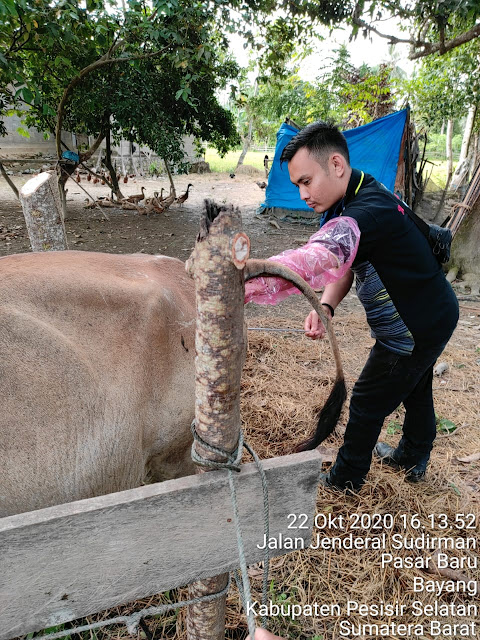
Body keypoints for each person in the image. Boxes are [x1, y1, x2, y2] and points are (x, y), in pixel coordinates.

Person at [279, 121, 458, 492]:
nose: (302, 195)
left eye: (306, 181)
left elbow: (320, 258)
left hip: (414, 327)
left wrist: (254, 277)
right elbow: (345, 266)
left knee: (365, 401)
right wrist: (326, 306)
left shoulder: (365, 212)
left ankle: (346, 479)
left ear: (336, 165)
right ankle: (413, 456)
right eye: (298, 184)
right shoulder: (353, 195)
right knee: (416, 387)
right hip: (435, 310)